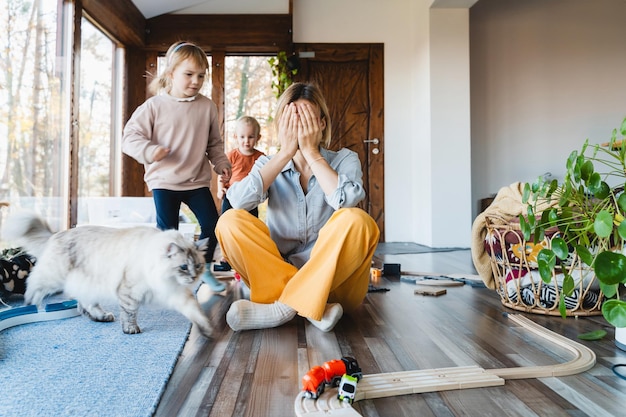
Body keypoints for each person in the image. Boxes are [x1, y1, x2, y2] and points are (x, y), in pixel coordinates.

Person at [215, 82, 380, 333]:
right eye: (292, 120)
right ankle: (313, 306)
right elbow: (237, 201)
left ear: (322, 124)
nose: (299, 126)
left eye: (306, 119)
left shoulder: (345, 159)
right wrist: (283, 155)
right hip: (275, 281)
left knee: (358, 220)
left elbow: (346, 200)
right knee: (229, 222)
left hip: (335, 286)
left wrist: (312, 154)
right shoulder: (267, 163)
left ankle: (283, 308)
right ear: (281, 125)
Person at [122, 41, 231, 292]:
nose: (196, 81)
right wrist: (150, 151)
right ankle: (166, 279)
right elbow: (130, 138)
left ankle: (202, 269)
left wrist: (221, 163)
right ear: (171, 74)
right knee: (167, 235)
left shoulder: (207, 107)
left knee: (213, 227)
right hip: (164, 182)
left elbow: (214, 143)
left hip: (196, 182)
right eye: (189, 74)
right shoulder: (154, 106)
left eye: (201, 75)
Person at [217, 115, 266, 217]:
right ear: (236, 137)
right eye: (242, 137)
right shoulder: (231, 155)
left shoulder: (261, 158)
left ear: (258, 137)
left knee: (250, 225)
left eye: (251, 137)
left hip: (250, 197)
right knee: (227, 222)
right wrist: (220, 189)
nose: (246, 141)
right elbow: (221, 175)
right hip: (231, 196)